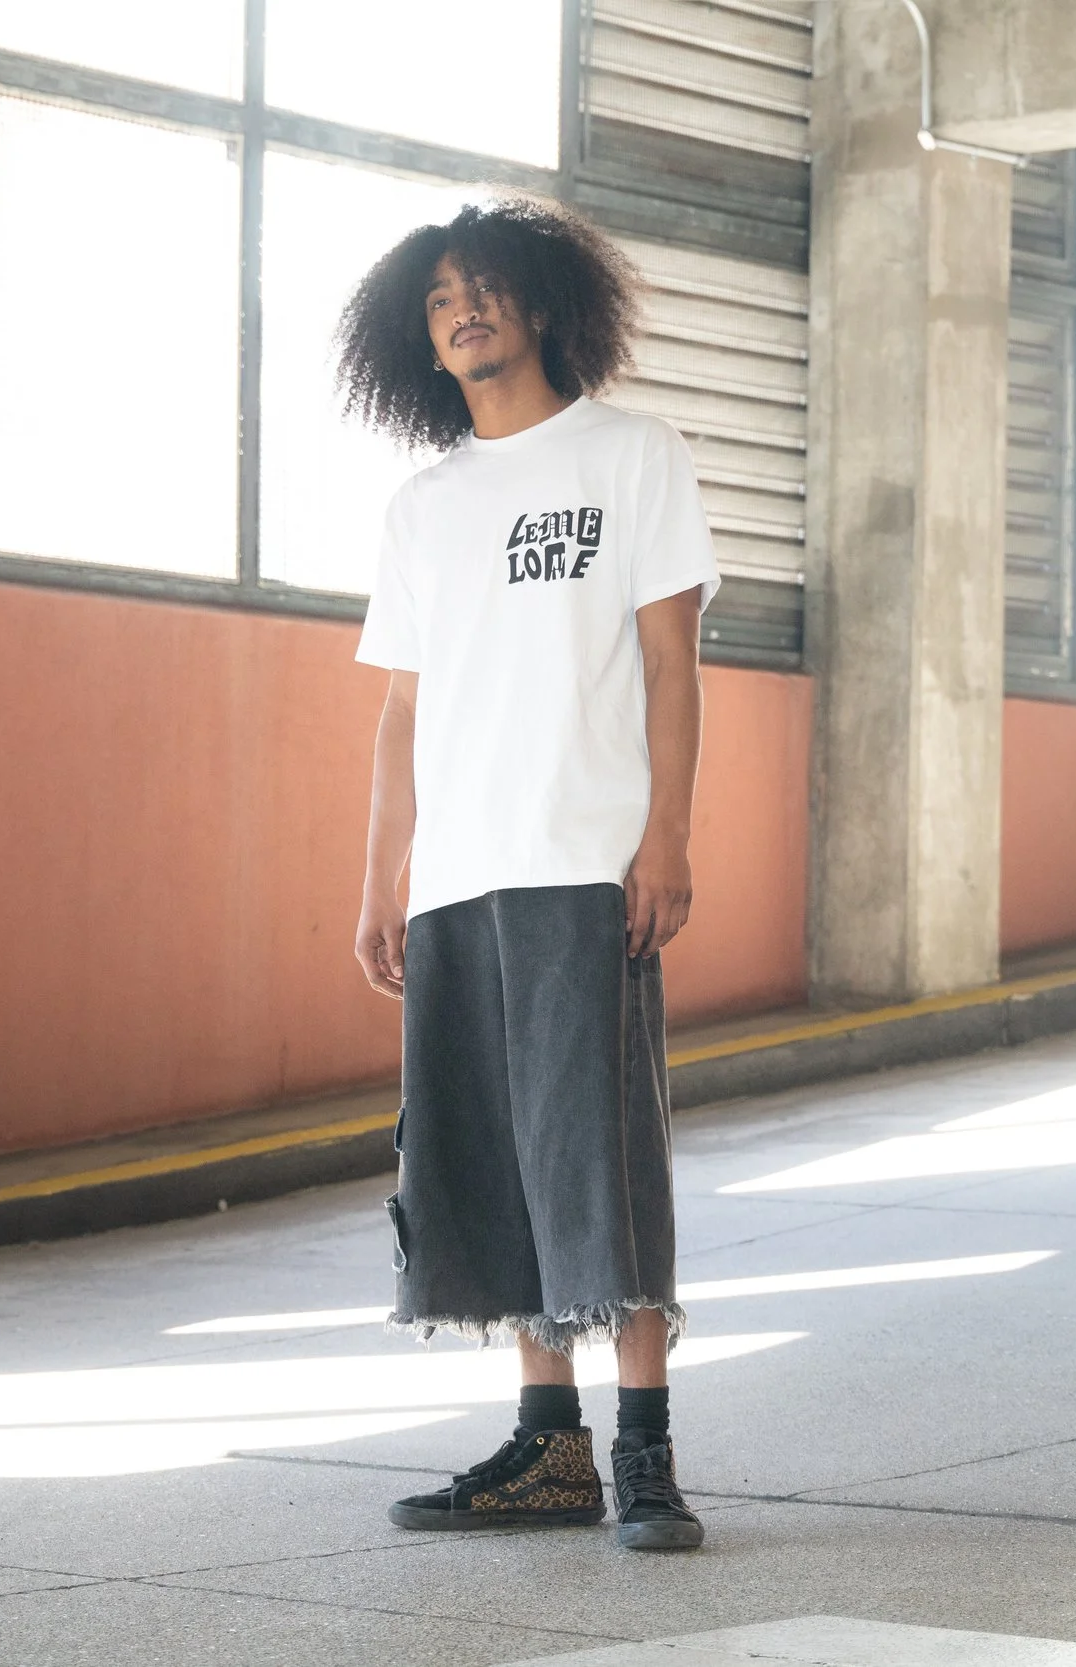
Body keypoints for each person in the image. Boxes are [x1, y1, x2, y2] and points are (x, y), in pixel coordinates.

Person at [340, 195, 718, 1552]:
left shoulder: (633, 456)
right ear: (419, 335)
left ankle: (648, 1456)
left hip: (579, 860)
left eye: (487, 286)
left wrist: (666, 830)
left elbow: (674, 665)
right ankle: (547, 1447)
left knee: (598, 1159)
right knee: (492, 1161)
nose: (465, 308)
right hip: (457, 876)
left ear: (546, 305)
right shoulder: (425, 505)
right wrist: (384, 875)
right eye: (441, 295)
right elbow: (401, 711)